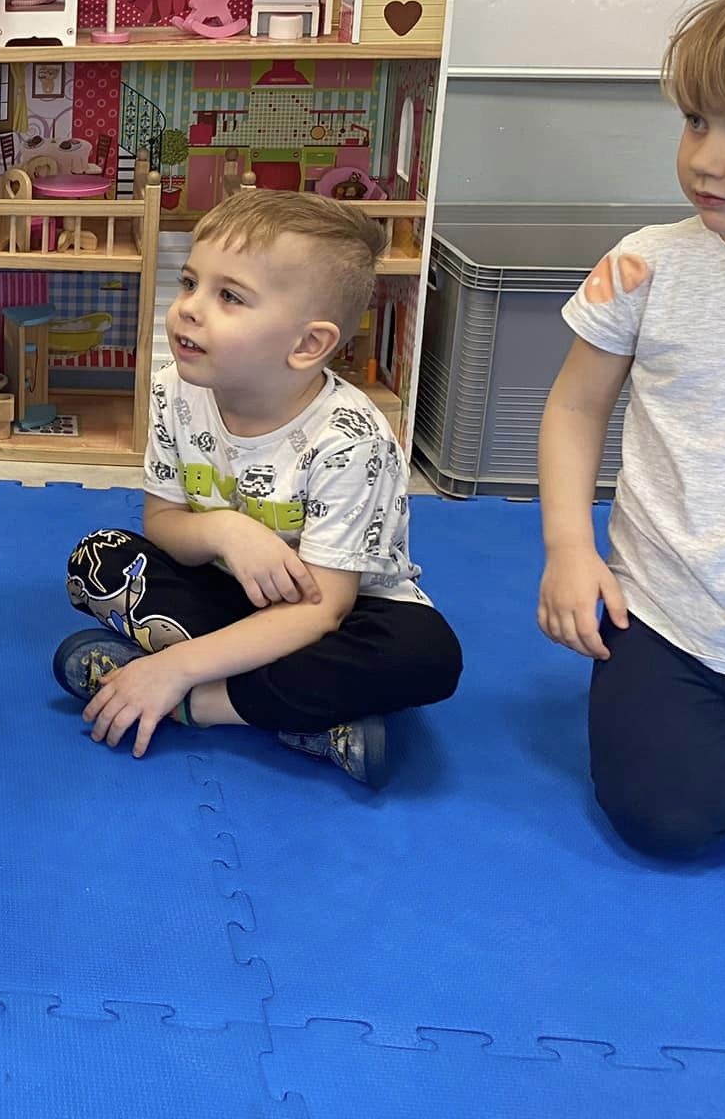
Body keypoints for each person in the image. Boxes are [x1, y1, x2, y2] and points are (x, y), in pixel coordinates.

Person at [51, 187, 462, 787]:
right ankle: (305, 718)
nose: (189, 308)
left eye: (230, 297)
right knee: (98, 560)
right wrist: (224, 530)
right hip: (230, 593)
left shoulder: (351, 439)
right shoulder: (176, 390)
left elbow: (322, 610)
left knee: (425, 654)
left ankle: (199, 702)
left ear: (308, 345)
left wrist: (175, 672)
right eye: (190, 283)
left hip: (338, 614)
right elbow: (161, 524)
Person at [538, 0, 725, 858]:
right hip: (669, 617)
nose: (706, 159)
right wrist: (570, 549)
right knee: (667, 824)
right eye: (695, 121)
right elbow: (574, 407)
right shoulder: (647, 264)